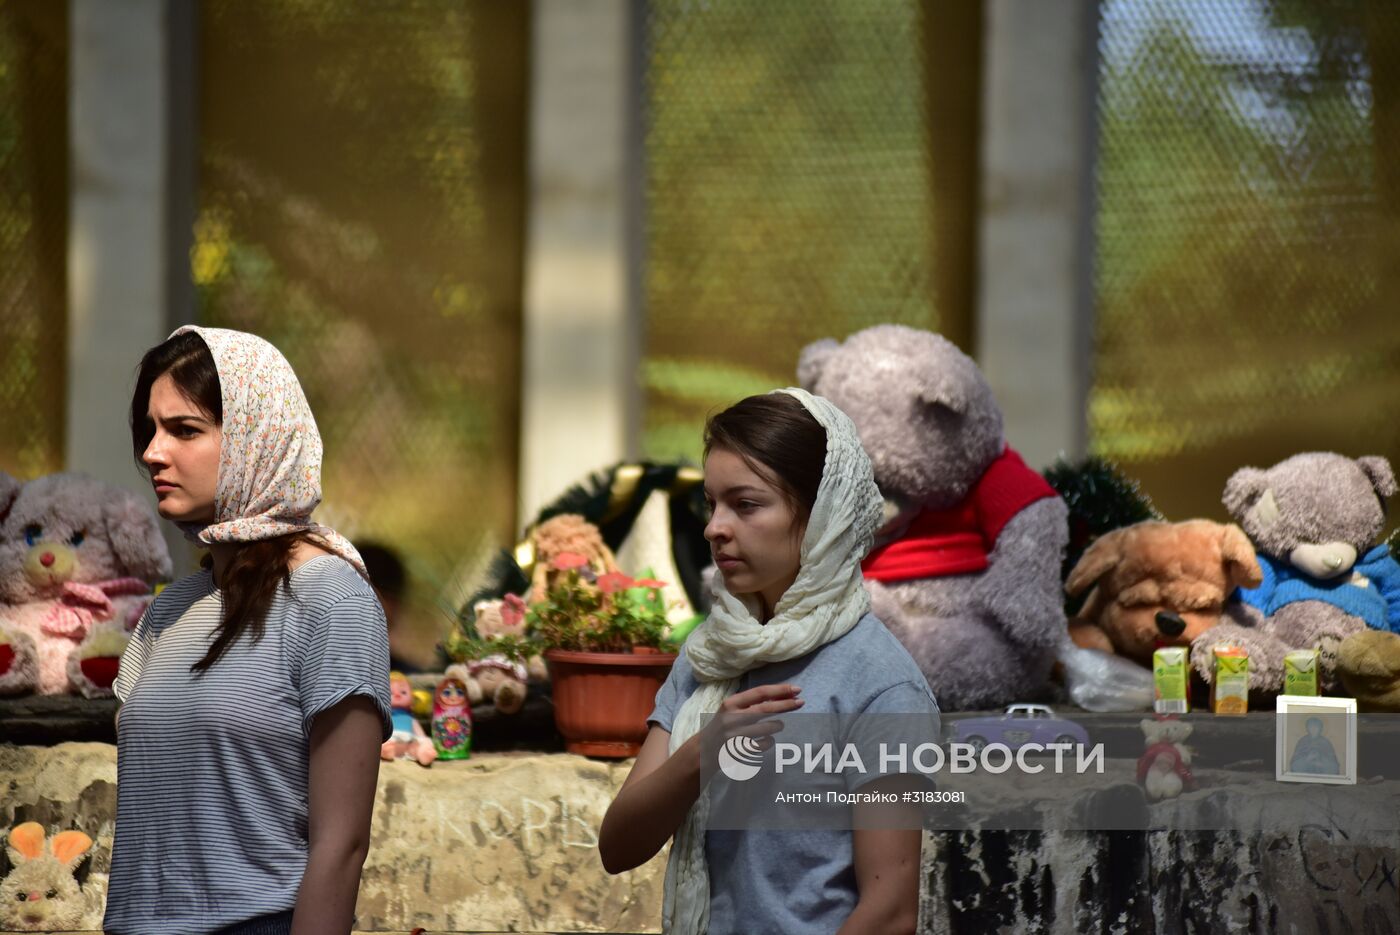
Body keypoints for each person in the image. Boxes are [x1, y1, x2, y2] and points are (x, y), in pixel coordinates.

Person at [598, 388, 939, 935]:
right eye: (711, 504)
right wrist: (704, 750)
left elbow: (890, 914)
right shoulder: (711, 653)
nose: (714, 528)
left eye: (746, 504)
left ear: (822, 513)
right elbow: (617, 847)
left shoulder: (882, 685)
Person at [105, 327, 392, 935]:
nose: (154, 452)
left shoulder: (330, 597)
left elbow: (340, 849)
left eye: (184, 430)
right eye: (150, 431)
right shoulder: (169, 609)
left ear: (257, 439)